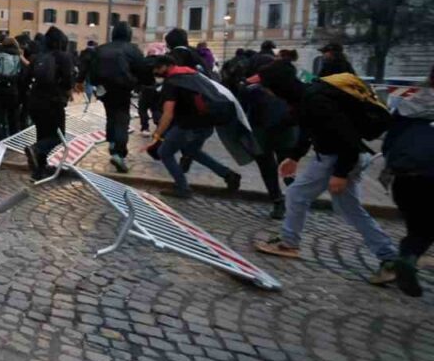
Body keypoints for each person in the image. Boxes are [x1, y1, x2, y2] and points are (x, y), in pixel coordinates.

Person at [255, 70, 397, 277]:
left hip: (337, 158)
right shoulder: (307, 97)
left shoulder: (315, 101)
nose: (268, 94)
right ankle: (388, 255)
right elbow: (308, 130)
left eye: (268, 89)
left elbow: (346, 137)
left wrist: (341, 173)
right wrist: (294, 157)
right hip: (337, 157)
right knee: (348, 208)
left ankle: (289, 242)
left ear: (278, 88)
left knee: (297, 195)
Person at [145, 54, 243, 199]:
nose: (156, 72)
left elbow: (168, 114)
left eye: (157, 68)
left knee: (164, 152)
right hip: (207, 123)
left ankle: (182, 188)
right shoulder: (193, 74)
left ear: (167, 66)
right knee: (192, 151)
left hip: (188, 125)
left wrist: (157, 134)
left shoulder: (172, 82)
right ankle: (228, 175)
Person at [378, 64, 434, 297]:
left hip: (404, 175)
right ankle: (408, 257)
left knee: (417, 224)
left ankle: (407, 258)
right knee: (426, 229)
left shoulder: (410, 103)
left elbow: (388, 141)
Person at [242, 55, 303, 220]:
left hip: (264, 134)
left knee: (269, 169)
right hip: (283, 133)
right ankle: (296, 200)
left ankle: (279, 201)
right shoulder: (291, 86)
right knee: (286, 168)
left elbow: (243, 110)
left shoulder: (252, 88)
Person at [92, 21, 145, 173]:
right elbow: (141, 69)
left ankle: (112, 142)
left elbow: (92, 68)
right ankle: (118, 152)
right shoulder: (133, 49)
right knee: (122, 119)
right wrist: (138, 85)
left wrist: (96, 84)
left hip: (104, 89)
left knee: (111, 116)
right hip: (123, 88)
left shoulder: (101, 49)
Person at [23, 26, 74, 180]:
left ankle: (39, 170)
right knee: (58, 136)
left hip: (35, 101)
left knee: (42, 134)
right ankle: (36, 149)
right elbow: (68, 81)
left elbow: (26, 78)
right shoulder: (64, 57)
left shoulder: (37, 57)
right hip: (54, 102)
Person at [77, 40, 97, 104]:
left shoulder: (83, 52)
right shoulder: (96, 52)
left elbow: (79, 61)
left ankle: (88, 98)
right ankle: (89, 98)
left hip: (83, 70)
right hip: (92, 71)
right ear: (94, 45)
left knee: (85, 85)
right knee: (89, 84)